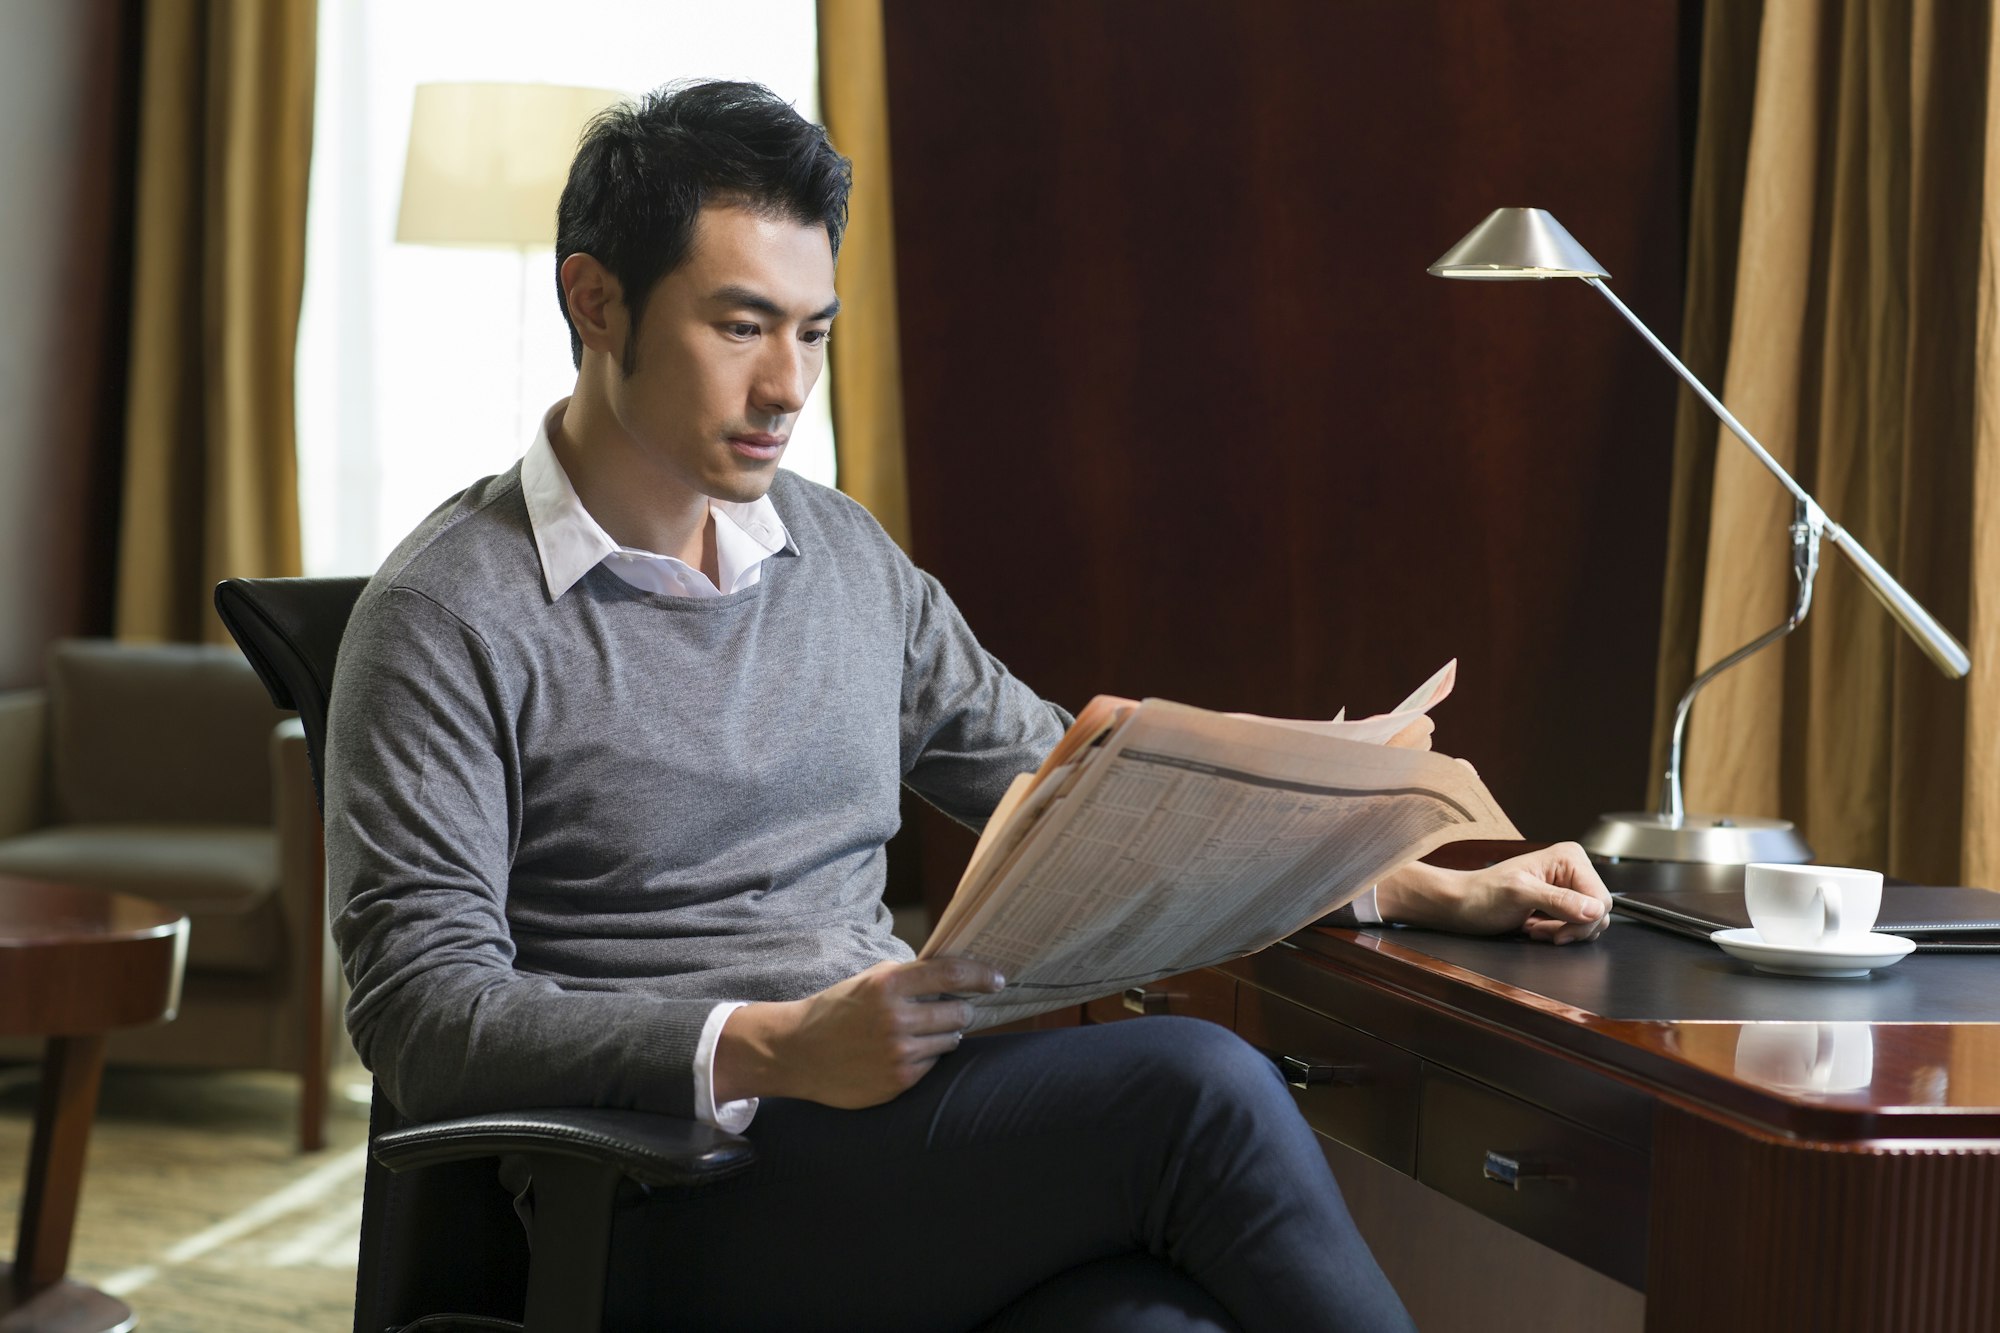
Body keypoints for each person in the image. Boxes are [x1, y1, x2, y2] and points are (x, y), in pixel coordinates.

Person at [324, 79, 1613, 1332]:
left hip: (890, 1153)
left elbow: (1089, 805)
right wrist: (772, 1048)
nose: (788, 386)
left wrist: (1400, 878)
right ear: (594, 300)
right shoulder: (446, 614)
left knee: (1147, 1322)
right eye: (740, 326)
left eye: (813, 330)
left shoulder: (841, 559)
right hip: (659, 1196)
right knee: (1200, 1091)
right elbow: (422, 1016)